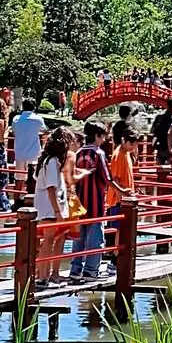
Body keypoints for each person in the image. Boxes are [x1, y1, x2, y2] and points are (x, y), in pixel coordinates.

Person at [70, 122, 128, 281]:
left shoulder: (79, 152)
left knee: (79, 239)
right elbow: (107, 179)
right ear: (97, 136)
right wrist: (122, 191)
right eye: (103, 136)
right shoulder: (98, 154)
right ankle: (90, 271)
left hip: (79, 203)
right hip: (95, 203)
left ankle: (75, 270)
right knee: (95, 239)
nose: (105, 139)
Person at [33, 128, 74, 289]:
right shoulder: (51, 162)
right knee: (48, 241)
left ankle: (45, 275)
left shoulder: (48, 160)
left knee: (48, 241)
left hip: (47, 206)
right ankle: (43, 277)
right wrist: (58, 212)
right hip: (49, 208)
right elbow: (51, 188)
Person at [106, 128, 139, 275]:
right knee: (119, 230)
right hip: (120, 200)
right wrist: (121, 199)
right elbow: (116, 179)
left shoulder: (126, 154)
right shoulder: (118, 155)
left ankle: (117, 258)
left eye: (135, 144)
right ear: (124, 140)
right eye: (131, 143)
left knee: (123, 230)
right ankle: (114, 259)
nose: (133, 147)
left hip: (126, 198)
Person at [12, 99, 48, 202]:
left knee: (19, 178)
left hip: (19, 152)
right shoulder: (38, 119)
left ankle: (16, 200)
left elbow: (13, 131)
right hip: (34, 153)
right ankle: (34, 200)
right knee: (34, 178)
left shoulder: (16, 119)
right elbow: (44, 129)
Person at [151, 97, 172, 166]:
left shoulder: (159, 116)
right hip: (170, 146)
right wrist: (170, 149)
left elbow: (153, 131)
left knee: (160, 169)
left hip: (160, 146)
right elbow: (169, 133)